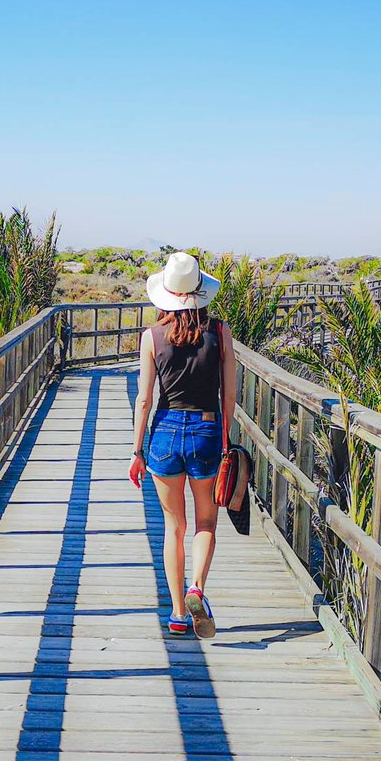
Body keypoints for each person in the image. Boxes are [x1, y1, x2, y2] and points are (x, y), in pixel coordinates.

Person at [128, 251, 237, 637]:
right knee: (206, 521)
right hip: (207, 430)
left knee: (173, 527)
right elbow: (229, 396)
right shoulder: (220, 333)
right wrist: (225, 441)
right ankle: (197, 588)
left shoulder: (151, 337)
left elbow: (144, 399)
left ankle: (176, 613)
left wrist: (137, 451)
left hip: (164, 434)